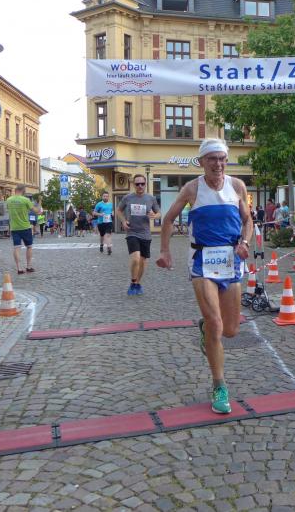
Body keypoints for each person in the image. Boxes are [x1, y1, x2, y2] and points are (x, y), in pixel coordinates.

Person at [156, 138, 252, 414]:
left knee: (230, 330)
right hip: (202, 261)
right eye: (212, 159)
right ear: (201, 162)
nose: (218, 164)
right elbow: (168, 219)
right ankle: (219, 385)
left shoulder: (237, 186)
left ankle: (205, 329)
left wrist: (245, 242)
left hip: (231, 261)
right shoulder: (192, 189)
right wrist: (165, 251)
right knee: (215, 322)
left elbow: (247, 220)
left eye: (222, 159)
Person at [116, 175, 160, 295]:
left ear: (145, 184)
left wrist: (154, 215)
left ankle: (137, 283)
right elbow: (118, 210)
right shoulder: (128, 198)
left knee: (143, 261)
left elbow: (159, 213)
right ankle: (133, 281)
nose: (140, 186)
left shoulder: (151, 198)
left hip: (145, 234)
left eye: (142, 184)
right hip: (132, 232)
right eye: (137, 184)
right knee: (136, 258)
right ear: (133, 185)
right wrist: (123, 221)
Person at [7, 185, 42, 274]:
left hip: (14, 228)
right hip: (25, 227)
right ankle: (28, 267)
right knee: (29, 247)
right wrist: (40, 201)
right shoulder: (25, 200)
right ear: (23, 191)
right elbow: (37, 211)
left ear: (15, 190)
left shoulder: (9, 200)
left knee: (16, 248)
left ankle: (19, 269)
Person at [93, 191, 114, 255]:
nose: (105, 197)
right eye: (104, 196)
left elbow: (112, 211)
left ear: (108, 197)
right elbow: (94, 213)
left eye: (107, 196)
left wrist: (112, 213)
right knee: (102, 236)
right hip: (101, 222)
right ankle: (101, 245)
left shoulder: (111, 204)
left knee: (108, 234)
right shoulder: (99, 204)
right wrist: (100, 214)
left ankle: (109, 247)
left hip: (109, 222)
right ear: (102, 197)